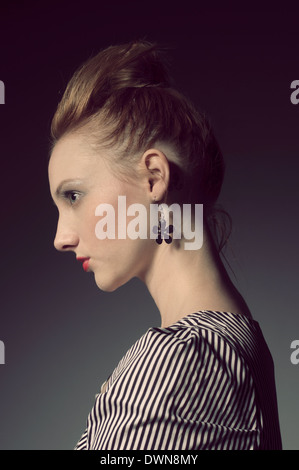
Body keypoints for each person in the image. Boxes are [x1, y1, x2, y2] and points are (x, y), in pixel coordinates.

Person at [48, 40, 282, 450]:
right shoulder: (248, 352)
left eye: (73, 196)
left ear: (154, 177)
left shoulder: (179, 362)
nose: (61, 238)